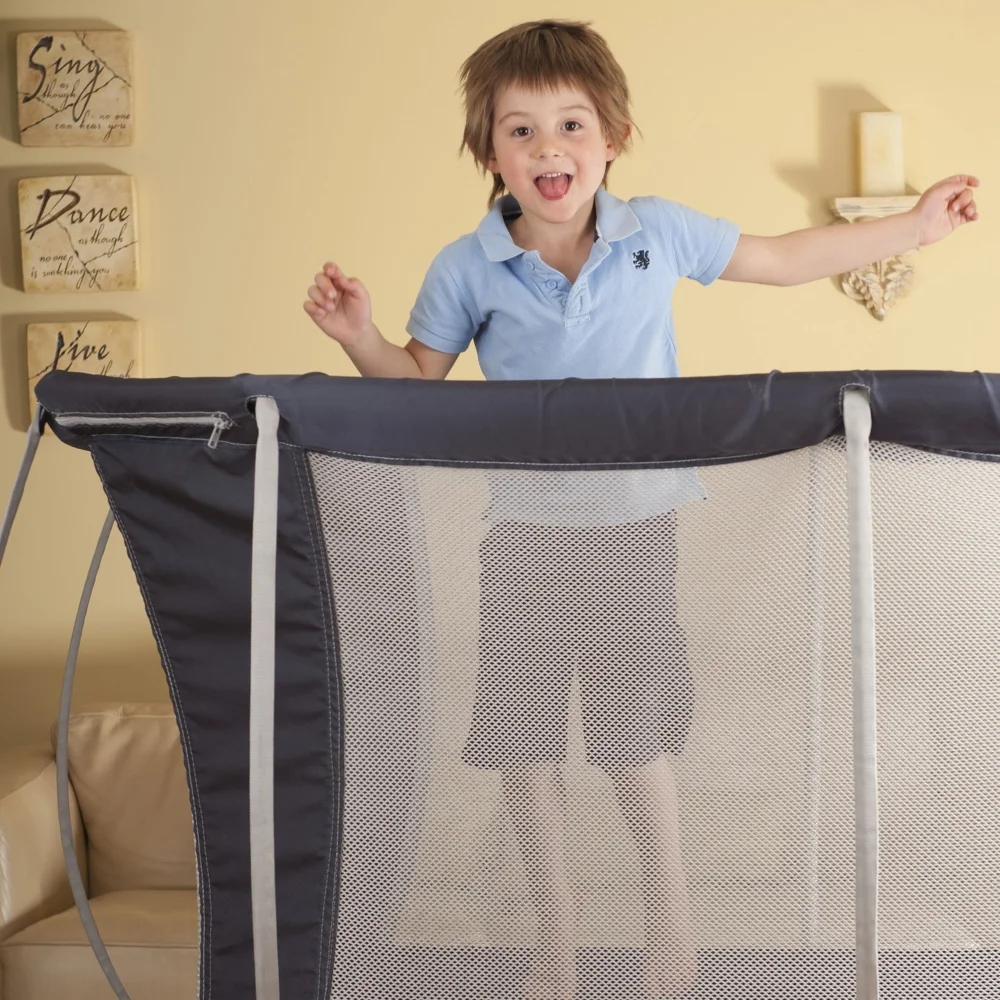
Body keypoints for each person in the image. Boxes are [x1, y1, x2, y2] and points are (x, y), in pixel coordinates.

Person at [303, 19, 979, 998]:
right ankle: (557, 927)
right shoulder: (466, 267)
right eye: (521, 130)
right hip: (523, 538)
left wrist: (914, 227)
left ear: (612, 137)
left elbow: (785, 257)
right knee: (524, 756)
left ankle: (669, 908)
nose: (548, 148)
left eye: (570, 124)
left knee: (629, 749)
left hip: (635, 533)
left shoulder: (655, 234)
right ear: (486, 151)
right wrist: (360, 333)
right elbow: (415, 383)